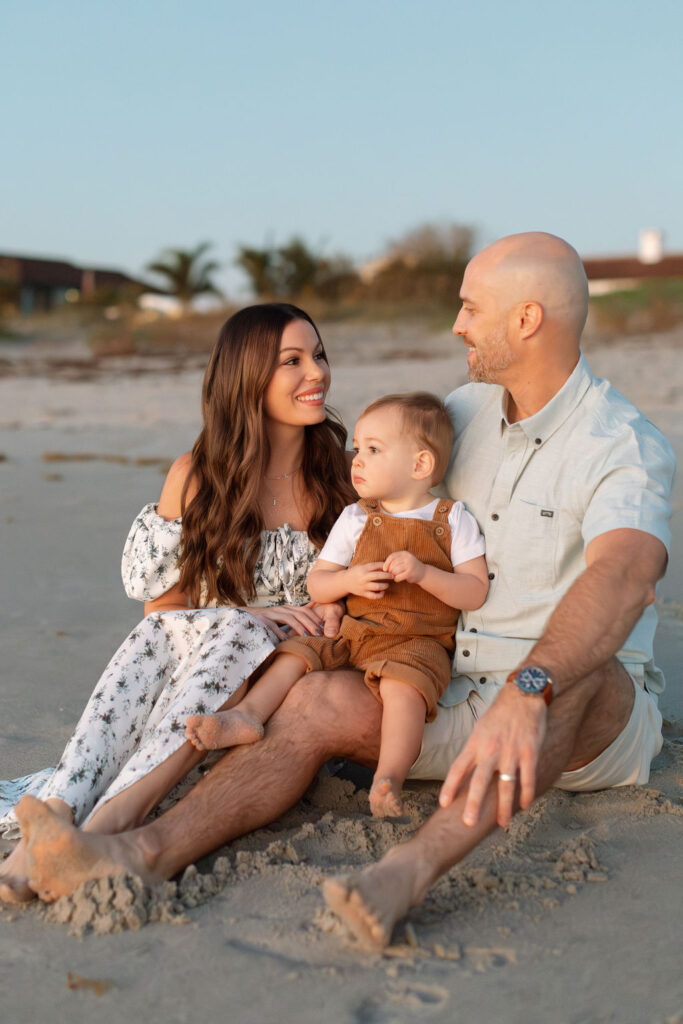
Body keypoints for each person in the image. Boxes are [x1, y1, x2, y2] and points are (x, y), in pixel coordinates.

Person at [13, 233, 674, 933]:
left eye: (469, 308)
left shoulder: (619, 444)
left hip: (580, 722)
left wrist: (529, 684)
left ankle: (405, 872)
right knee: (311, 698)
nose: (455, 325)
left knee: (577, 679)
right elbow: (377, 498)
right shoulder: (461, 415)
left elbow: (624, 572)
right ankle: (138, 850)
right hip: (441, 691)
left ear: (526, 319)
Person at [0, 302, 353, 904]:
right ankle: (58, 815)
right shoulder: (197, 477)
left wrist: (263, 625)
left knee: (245, 634)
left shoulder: (345, 478)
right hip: (194, 693)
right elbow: (162, 621)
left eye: (317, 355)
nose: (315, 372)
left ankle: (104, 827)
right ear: (245, 378)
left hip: (279, 693)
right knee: (191, 632)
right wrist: (244, 614)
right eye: (291, 361)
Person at [185, 392, 488, 817]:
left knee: (406, 689)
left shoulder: (451, 519)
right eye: (359, 448)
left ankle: (389, 776)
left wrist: (424, 574)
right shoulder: (356, 517)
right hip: (354, 632)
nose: (357, 461)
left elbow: (475, 591)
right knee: (297, 653)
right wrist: (349, 579)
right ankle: (249, 714)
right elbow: (319, 582)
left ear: (420, 465)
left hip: (417, 641)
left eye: (374, 450)